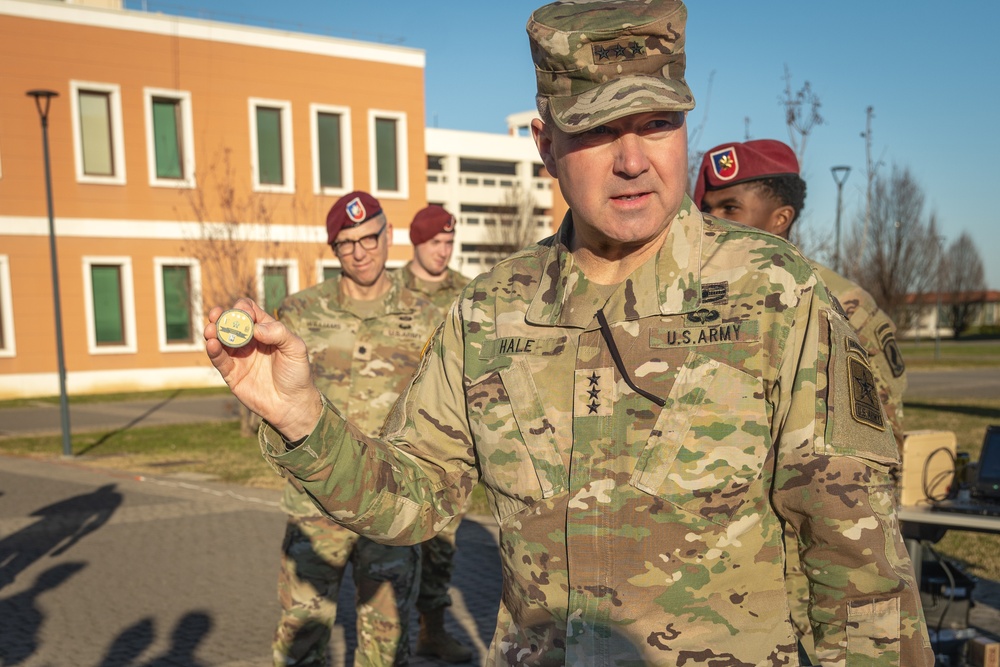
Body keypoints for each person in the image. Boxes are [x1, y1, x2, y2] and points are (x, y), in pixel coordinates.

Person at [206, 1, 933, 664]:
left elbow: (858, 566)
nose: (632, 158)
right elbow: (414, 498)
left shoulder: (777, 295)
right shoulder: (489, 313)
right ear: (545, 143)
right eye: (595, 130)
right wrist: (304, 420)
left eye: (656, 123)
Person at [693, 139, 910, 664]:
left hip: (798, 573)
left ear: (779, 218)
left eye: (729, 209)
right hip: (711, 574)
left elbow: (870, 455)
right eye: (705, 210)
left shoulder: (840, 304)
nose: (711, 223)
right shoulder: (696, 304)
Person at [270, 191, 440, 667]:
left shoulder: (426, 316)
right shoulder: (300, 313)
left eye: (370, 238)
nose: (361, 251)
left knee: (387, 641)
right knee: (299, 638)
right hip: (314, 503)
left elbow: (438, 408)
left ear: (388, 236)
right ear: (334, 250)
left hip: (388, 502)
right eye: (347, 243)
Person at [397, 204, 473, 663]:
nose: (443, 251)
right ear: (417, 243)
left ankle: (433, 630)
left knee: (440, 544)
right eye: (435, 243)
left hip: (444, 438)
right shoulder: (390, 291)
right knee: (388, 549)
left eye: (449, 242)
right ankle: (389, 638)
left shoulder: (465, 293)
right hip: (391, 436)